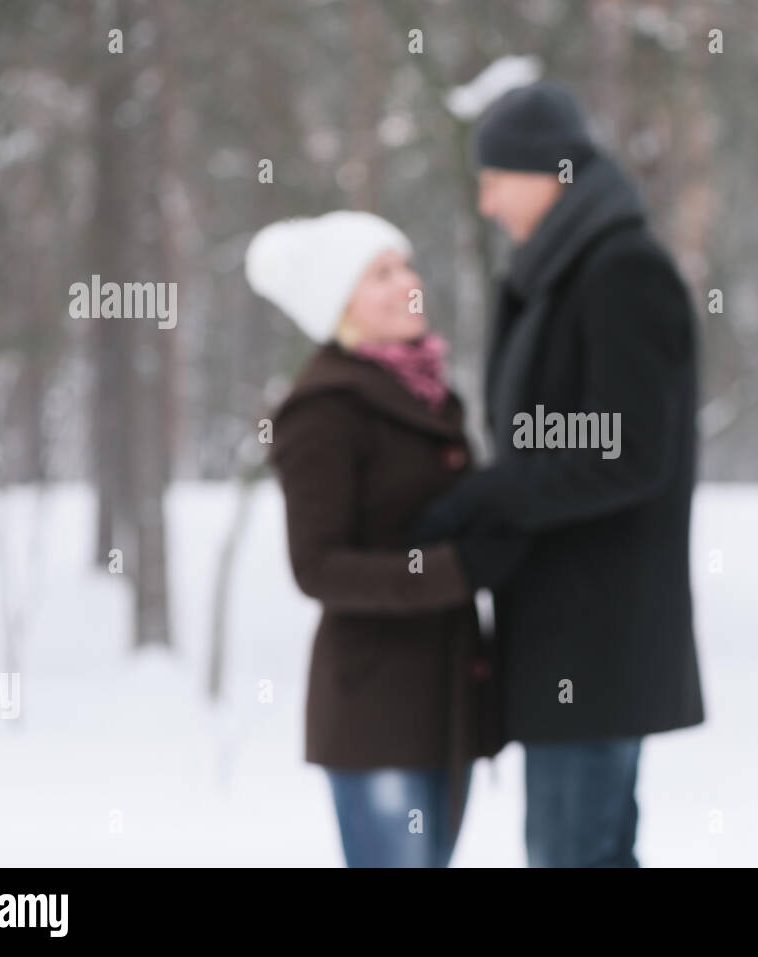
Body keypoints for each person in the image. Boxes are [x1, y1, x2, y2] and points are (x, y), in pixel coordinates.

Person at [413, 82, 706, 867]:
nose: (486, 203)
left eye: (496, 179)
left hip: (596, 641)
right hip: (567, 635)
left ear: (551, 172)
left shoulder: (620, 271)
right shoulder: (567, 269)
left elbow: (627, 448)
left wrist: (491, 494)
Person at [245, 211, 504, 867]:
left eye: (406, 265)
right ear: (341, 303)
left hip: (444, 700)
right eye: (381, 273)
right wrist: (454, 569)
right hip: (377, 709)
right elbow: (319, 566)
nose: (407, 282)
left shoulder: (429, 394)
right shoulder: (325, 409)